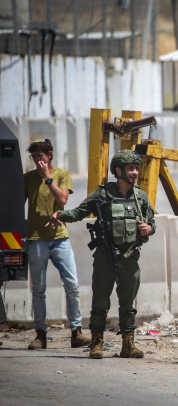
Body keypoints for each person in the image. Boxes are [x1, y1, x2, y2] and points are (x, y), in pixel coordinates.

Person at [48, 150, 155, 359]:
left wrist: (148, 229)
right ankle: (96, 343)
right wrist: (61, 215)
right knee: (100, 302)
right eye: (130, 168)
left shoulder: (140, 196)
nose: (134, 172)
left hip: (130, 256)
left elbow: (152, 223)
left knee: (128, 303)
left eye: (136, 168)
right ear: (118, 170)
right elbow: (79, 212)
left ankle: (128, 345)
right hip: (105, 256)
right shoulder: (102, 195)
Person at [23, 139, 90, 350]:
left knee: (72, 285)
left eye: (39, 157)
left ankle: (76, 332)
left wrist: (47, 178)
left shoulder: (61, 175)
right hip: (36, 239)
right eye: (33, 158)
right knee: (38, 289)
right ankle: (40, 334)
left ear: (49, 155)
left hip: (60, 238)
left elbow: (62, 200)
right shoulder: (28, 178)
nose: (36, 161)